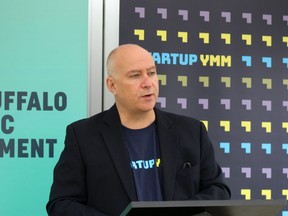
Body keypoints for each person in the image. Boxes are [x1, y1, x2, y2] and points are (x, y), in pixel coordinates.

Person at [46, 43, 231, 216]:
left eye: (151, 73)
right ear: (112, 85)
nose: (147, 83)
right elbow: (61, 204)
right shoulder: (83, 135)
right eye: (135, 75)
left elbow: (218, 191)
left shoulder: (191, 131)